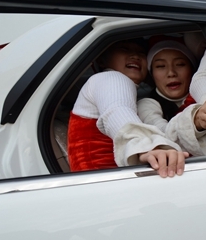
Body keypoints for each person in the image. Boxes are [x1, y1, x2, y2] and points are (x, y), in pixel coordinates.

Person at [67, 40, 187, 176]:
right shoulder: (111, 78)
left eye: (141, 53)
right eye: (124, 49)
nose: (135, 56)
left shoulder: (125, 90)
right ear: (101, 60)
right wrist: (146, 148)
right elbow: (117, 111)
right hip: (109, 186)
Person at [136, 38, 198, 130]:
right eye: (160, 66)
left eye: (180, 64)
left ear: (192, 69)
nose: (171, 73)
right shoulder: (146, 106)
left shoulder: (205, 96)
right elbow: (162, 132)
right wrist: (198, 122)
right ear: (152, 74)